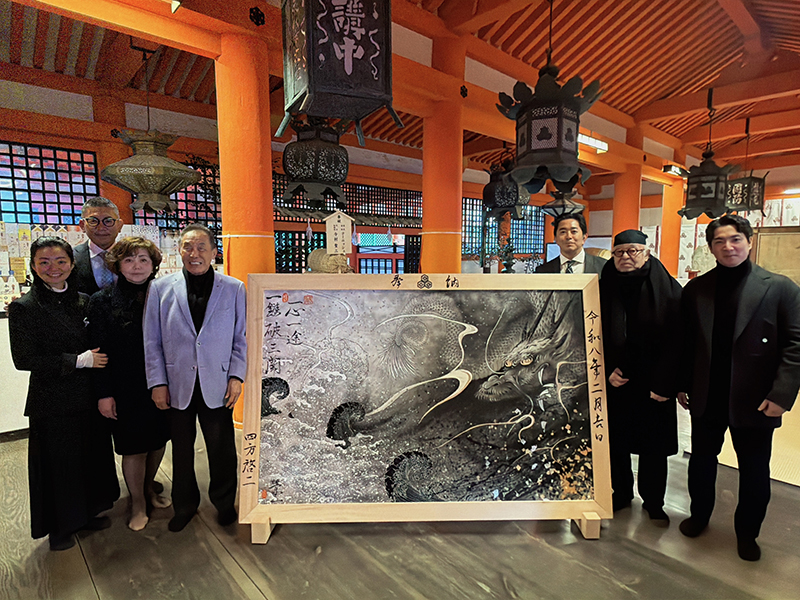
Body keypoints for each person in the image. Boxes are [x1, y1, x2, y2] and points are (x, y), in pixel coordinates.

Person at [678, 214, 800, 561]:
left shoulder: (780, 288)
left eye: (735, 239)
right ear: (710, 247)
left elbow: (796, 345)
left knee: (754, 469)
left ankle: (747, 533)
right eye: (719, 241)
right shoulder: (697, 290)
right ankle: (699, 516)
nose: (728, 247)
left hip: (757, 398)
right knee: (701, 462)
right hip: (707, 395)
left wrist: (781, 395)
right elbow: (686, 343)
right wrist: (682, 384)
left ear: (749, 241)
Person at [8, 237, 119, 551]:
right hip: (52, 400)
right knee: (60, 466)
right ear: (33, 266)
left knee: (90, 457)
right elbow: (24, 359)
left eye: (60, 261)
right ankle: (60, 527)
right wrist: (77, 361)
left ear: (71, 264)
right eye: (44, 262)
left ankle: (86, 514)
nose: (53, 268)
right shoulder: (24, 307)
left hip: (88, 395)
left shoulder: (84, 300)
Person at [143, 224, 247, 532]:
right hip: (177, 383)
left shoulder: (234, 288)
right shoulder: (160, 288)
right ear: (180, 251)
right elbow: (151, 341)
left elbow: (241, 337)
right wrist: (157, 382)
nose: (194, 253)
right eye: (188, 246)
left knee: (222, 448)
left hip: (218, 381)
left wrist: (237, 375)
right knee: (182, 449)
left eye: (202, 247)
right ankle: (185, 505)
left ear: (214, 252)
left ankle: (225, 503)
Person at [88, 237, 171, 531]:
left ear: (153, 265)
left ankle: (149, 489)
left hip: (162, 383)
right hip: (124, 387)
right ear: (118, 265)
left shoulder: (166, 296)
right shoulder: (101, 301)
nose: (136, 266)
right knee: (133, 448)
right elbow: (98, 352)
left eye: (143, 259)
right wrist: (104, 394)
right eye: (129, 259)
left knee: (159, 441)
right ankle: (137, 503)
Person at [599, 230, 682, 524]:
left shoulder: (667, 288)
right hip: (615, 380)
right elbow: (590, 333)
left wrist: (667, 383)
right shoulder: (603, 285)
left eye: (633, 251)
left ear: (646, 253)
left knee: (653, 446)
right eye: (619, 252)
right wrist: (605, 370)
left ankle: (654, 501)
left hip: (655, 382)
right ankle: (620, 493)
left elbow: (679, 340)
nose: (625, 257)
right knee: (616, 443)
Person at [70, 196, 123, 295]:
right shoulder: (71, 258)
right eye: (93, 221)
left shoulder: (132, 256)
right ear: (82, 225)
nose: (101, 228)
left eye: (108, 221)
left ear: (119, 225)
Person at [535, 212, 607, 275]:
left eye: (574, 231)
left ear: (584, 237)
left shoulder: (604, 266)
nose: (569, 236)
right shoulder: (543, 271)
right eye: (563, 232)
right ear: (556, 239)